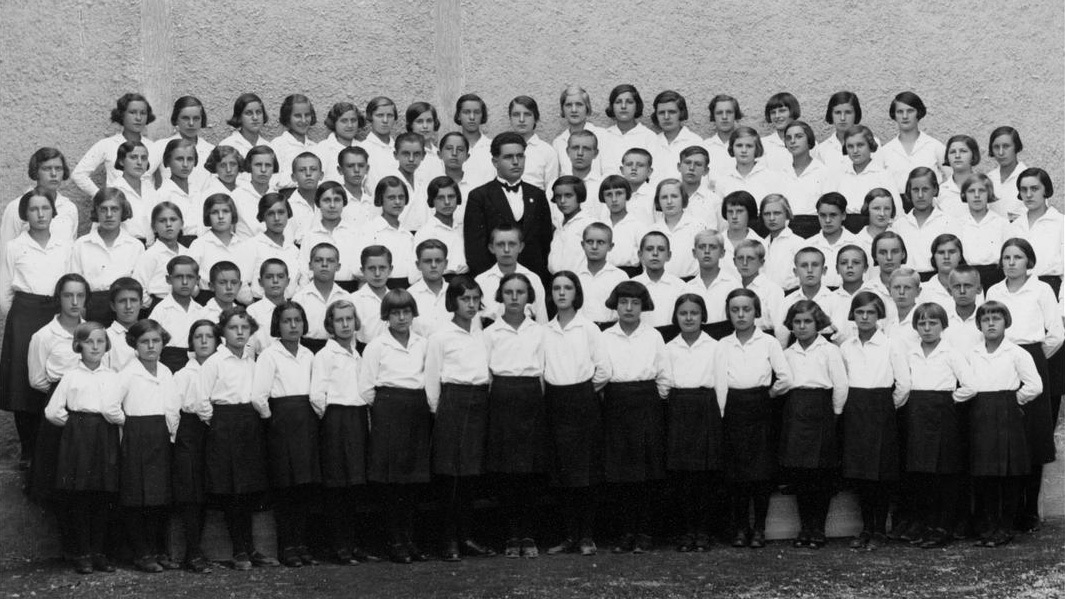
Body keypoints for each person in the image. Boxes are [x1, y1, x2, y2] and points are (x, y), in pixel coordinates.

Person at [986, 238, 1063, 532]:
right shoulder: (994, 291)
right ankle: (1008, 509)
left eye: (1017, 257)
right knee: (1007, 436)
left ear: (1028, 261)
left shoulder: (1041, 289)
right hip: (1001, 358)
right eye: (1006, 257)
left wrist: (1032, 360)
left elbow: (1056, 334)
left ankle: (1029, 511)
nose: (1011, 263)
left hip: (1032, 357)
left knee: (1033, 437)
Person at [197, 307, 279, 571]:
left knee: (248, 489)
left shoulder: (252, 361)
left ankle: (251, 547)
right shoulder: (214, 362)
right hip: (224, 425)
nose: (240, 332)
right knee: (231, 490)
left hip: (249, 424)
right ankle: (239, 550)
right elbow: (202, 402)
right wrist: (220, 424)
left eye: (244, 328)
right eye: (233, 328)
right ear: (223, 331)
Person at [44, 322, 124, 575]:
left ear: (107, 345)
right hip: (79, 438)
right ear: (78, 345)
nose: (95, 347)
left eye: (100, 341)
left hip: (106, 434)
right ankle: (82, 553)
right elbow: (52, 411)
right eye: (89, 342)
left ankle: (99, 552)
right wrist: (75, 426)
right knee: (80, 495)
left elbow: (118, 408)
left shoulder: (113, 376)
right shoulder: (71, 376)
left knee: (103, 494)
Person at [0, 188, 74, 466]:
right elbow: (5, 290)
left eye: (45, 208)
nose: (40, 214)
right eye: (34, 209)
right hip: (25, 313)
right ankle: (28, 450)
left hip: (57, 310)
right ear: (25, 214)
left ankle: (53, 450)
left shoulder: (65, 245)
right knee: (23, 381)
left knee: (55, 374)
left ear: (53, 212)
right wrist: (20, 317)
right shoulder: (14, 247)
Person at [358, 289, 432, 564]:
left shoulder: (423, 344)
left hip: (417, 409)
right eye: (395, 313)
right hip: (389, 411)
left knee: (412, 481)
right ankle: (395, 541)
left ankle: (410, 540)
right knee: (393, 482)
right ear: (386, 316)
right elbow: (366, 388)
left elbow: (429, 377)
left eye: (406, 312)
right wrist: (387, 408)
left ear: (413, 314)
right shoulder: (377, 346)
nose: (402, 318)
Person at [716, 289, 792, 548]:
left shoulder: (768, 342)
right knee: (737, 474)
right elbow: (719, 381)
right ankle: (741, 528)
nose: (741, 315)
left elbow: (785, 378)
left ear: (756, 312)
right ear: (728, 313)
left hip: (760, 407)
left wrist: (768, 394)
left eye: (746, 309)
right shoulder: (723, 344)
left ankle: (759, 528)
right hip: (733, 409)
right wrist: (723, 412)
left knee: (761, 473)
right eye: (735, 310)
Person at [423, 277, 493, 561]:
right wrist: (439, 412)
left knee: (470, 476)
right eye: (465, 299)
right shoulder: (441, 337)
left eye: (476, 299)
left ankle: (466, 536)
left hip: (478, 403)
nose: (471, 305)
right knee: (450, 476)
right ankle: (448, 539)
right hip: (452, 404)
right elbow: (432, 380)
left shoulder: (482, 335)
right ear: (453, 302)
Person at [541, 271, 609, 556]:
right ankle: (569, 535)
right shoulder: (544, 330)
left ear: (576, 293)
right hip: (555, 403)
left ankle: (587, 536)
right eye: (556, 288)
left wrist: (582, 392)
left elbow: (604, 369)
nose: (561, 293)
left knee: (586, 472)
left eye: (567, 287)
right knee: (562, 473)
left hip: (583, 402)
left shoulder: (588, 328)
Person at [601, 281, 670, 554]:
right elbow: (600, 372)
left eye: (635, 303)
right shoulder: (605, 337)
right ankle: (626, 531)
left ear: (643, 307)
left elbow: (664, 376)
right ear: (615, 305)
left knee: (646, 473)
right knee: (621, 473)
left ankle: (645, 532)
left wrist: (652, 401)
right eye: (623, 302)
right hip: (616, 404)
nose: (629, 308)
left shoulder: (653, 336)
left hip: (646, 403)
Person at [484, 273, 550, 558]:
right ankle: (512, 535)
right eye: (508, 292)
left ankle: (529, 534)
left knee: (530, 472)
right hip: (502, 398)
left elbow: (545, 370)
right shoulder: (490, 333)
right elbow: (486, 374)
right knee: (507, 473)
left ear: (529, 297)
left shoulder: (540, 332)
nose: (514, 297)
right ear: (500, 296)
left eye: (520, 292)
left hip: (531, 398)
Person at [968, 301, 1043, 547]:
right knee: (986, 473)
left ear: (1006, 322)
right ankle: (989, 526)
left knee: (1008, 473)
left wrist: (1012, 401)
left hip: (1007, 414)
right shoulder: (972, 353)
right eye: (985, 319)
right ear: (979, 324)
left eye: (996, 319)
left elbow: (1035, 385)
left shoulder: (1017, 353)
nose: (991, 323)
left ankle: (1005, 526)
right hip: (981, 414)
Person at [902, 302, 975, 548]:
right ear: (915, 327)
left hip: (943, 414)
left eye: (933, 323)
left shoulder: (951, 353)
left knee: (944, 472)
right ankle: (925, 524)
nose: (927, 328)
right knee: (921, 473)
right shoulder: (910, 353)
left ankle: (943, 527)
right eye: (922, 323)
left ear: (943, 326)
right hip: (916, 414)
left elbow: (971, 386)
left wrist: (949, 400)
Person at [840, 292, 909, 550]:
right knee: (860, 475)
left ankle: (880, 529)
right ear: (853, 316)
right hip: (855, 411)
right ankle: (866, 528)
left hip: (881, 411)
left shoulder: (890, 345)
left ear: (879, 316)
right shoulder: (846, 347)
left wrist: (886, 407)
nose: (865, 317)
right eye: (860, 312)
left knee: (880, 474)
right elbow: (842, 381)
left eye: (870, 312)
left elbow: (903, 384)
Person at [310, 300, 378, 565]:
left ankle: (354, 544)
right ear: (331, 325)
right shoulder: (325, 355)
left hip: (357, 419)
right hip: (336, 420)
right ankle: (339, 546)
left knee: (355, 485)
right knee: (337, 486)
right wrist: (333, 421)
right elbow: (317, 396)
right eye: (339, 320)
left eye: (349, 319)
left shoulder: (359, 353)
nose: (346, 324)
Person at [253, 301, 320, 567]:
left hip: (306, 422)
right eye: (286, 321)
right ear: (277, 325)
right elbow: (258, 397)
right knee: (285, 488)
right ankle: (287, 547)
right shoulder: (269, 355)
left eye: (297, 320)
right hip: (281, 423)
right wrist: (274, 421)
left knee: (304, 486)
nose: (293, 326)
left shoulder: (309, 355)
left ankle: (301, 544)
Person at [780, 300, 848, 549]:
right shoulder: (787, 353)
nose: (802, 326)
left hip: (821, 411)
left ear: (818, 323)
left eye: (807, 321)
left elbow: (840, 385)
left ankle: (818, 528)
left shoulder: (829, 350)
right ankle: (805, 527)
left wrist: (835, 413)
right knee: (800, 474)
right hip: (796, 411)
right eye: (797, 322)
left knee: (820, 474)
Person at [117, 319, 180, 573]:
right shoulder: (127, 373)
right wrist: (131, 425)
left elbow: (173, 405)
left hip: (161, 436)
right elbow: (111, 406)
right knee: (137, 496)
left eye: (156, 341)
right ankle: (141, 553)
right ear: (135, 344)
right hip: (136, 437)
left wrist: (170, 431)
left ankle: (158, 550)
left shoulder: (165, 372)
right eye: (144, 341)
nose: (151, 346)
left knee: (159, 496)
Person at [664, 294, 723, 552]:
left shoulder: (715, 346)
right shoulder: (669, 348)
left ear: (703, 316)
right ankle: (687, 531)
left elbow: (721, 383)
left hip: (706, 408)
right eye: (683, 313)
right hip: (679, 409)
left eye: (694, 313)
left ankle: (704, 531)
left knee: (704, 477)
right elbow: (664, 383)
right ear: (676, 317)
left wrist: (718, 415)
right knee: (683, 477)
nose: (689, 318)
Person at [464, 132, 553, 279]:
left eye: (520, 156)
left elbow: (545, 242)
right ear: (495, 162)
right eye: (508, 157)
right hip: (494, 279)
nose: (516, 162)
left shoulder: (537, 195)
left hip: (532, 278)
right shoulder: (479, 197)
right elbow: (475, 248)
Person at [171, 319, 218, 573]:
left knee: (207, 489)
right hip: (189, 432)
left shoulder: (221, 368)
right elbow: (173, 409)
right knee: (191, 491)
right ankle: (192, 551)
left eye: (209, 336)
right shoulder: (183, 374)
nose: (203, 341)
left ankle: (199, 550)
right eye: (198, 336)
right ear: (191, 342)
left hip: (216, 430)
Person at [70, 188, 145, 325]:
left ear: (123, 211)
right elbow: (75, 283)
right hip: (92, 308)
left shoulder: (135, 246)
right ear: (96, 212)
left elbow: (140, 284)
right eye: (103, 209)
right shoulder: (82, 244)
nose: (109, 215)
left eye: (114, 209)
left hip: (125, 308)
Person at [71, 93, 155, 196]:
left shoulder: (153, 147)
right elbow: (79, 174)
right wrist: (103, 197)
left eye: (143, 113)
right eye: (132, 112)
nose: (138, 118)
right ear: (122, 115)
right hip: (118, 203)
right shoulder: (107, 145)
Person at [0, 147, 79, 248]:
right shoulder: (16, 206)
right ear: (36, 172)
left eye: (58, 168)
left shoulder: (69, 208)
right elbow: (5, 251)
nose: (54, 174)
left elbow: (72, 249)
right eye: (47, 169)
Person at [147, 255, 208, 373]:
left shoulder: (201, 311)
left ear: (197, 279)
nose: (185, 282)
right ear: (168, 279)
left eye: (190, 277)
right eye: (179, 277)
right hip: (168, 366)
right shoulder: (161, 310)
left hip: (197, 367)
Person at [893, 167, 956, 277]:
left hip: (938, 278)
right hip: (906, 279)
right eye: (915, 190)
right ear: (909, 191)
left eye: (925, 189)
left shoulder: (948, 222)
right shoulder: (899, 225)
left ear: (935, 190)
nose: (920, 195)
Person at [878, 92, 947, 193]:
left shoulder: (935, 146)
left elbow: (951, 178)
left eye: (910, 111)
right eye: (900, 112)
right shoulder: (885, 151)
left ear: (918, 113)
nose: (905, 116)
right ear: (894, 115)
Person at [291, 243, 352, 351]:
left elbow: (352, 335)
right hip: (308, 351)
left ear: (338, 267)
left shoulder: (346, 297)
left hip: (339, 351)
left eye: (330, 261)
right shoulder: (299, 298)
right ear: (310, 265)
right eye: (318, 260)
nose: (324, 264)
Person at [779, 120, 832, 237]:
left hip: (814, 229)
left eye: (799, 136)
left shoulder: (823, 172)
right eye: (788, 138)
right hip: (786, 230)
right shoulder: (781, 173)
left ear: (809, 140)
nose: (793, 141)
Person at [958, 174, 1010, 290]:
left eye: (981, 191)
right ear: (964, 194)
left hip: (996, 277)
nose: (977, 195)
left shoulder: (1002, 223)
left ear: (989, 193)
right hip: (967, 277)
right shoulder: (958, 224)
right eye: (971, 191)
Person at [133, 202, 188, 308]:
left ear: (181, 224)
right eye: (162, 221)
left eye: (173, 219)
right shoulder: (150, 255)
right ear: (154, 227)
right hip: (159, 304)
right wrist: (152, 305)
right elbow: (138, 286)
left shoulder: (187, 252)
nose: (168, 224)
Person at [598, 84, 657, 179]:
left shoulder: (649, 137)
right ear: (612, 106)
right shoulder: (603, 136)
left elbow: (654, 174)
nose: (623, 106)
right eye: (618, 102)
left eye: (629, 102)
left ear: (637, 106)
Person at [812, 91, 877, 177]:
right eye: (838, 113)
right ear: (831, 115)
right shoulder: (822, 150)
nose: (842, 118)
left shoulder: (871, 143)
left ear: (856, 114)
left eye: (848, 112)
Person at [413, 176, 468, 277]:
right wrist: (447, 272)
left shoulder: (462, 227)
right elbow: (415, 275)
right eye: (440, 198)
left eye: (451, 196)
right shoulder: (425, 232)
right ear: (432, 201)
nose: (447, 202)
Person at [576, 223, 628, 327]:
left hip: (609, 329)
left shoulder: (620, 276)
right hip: (581, 329)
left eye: (600, 242)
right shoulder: (576, 275)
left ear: (610, 246)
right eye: (589, 242)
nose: (594, 247)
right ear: (582, 245)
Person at [650, 178, 704, 279]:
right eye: (664, 197)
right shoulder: (652, 230)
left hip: (690, 283)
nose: (669, 201)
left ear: (683, 198)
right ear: (658, 201)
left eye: (674, 196)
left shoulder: (698, 227)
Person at [633, 231, 686, 328]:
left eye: (661, 249)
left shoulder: (680, 287)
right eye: (649, 249)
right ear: (640, 255)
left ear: (669, 255)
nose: (655, 253)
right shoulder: (632, 285)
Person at [548, 176, 599, 275]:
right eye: (558, 196)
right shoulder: (559, 227)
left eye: (568, 195)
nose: (562, 201)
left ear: (579, 196)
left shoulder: (589, 224)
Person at [552, 85, 605, 180]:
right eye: (568, 105)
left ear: (587, 108)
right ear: (563, 109)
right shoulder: (558, 142)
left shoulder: (603, 135)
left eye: (579, 104)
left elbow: (609, 173)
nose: (574, 110)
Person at [508, 95, 559, 191]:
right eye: (516, 114)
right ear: (510, 119)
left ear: (536, 118)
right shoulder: (502, 149)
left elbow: (550, 190)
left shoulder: (547, 151)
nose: (521, 119)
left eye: (527, 114)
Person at [650, 90, 702, 179]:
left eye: (672, 112)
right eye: (661, 113)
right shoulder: (651, 142)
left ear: (681, 113)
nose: (666, 117)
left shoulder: (695, 142)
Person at [269, 94, 318, 189]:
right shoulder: (278, 145)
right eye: (298, 116)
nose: (303, 120)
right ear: (288, 118)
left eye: (307, 115)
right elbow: (273, 180)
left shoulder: (315, 147)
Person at [315, 102, 363, 184]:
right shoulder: (322, 149)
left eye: (353, 120)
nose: (350, 125)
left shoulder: (364, 147)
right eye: (344, 121)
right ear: (334, 123)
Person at [985, 127, 1027, 218]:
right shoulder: (988, 179)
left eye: (1006, 146)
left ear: (1016, 147)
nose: (1000, 152)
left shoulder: (1030, 178)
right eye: (996, 147)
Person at [701, 94, 743, 182]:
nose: (724, 117)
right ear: (713, 116)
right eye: (719, 113)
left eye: (729, 112)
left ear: (735, 115)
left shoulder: (746, 146)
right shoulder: (705, 147)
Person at [937, 135, 980, 220]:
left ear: (973, 155)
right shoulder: (940, 191)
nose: (957, 156)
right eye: (952, 152)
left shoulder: (985, 186)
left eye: (963, 151)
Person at [103, 277, 142, 371]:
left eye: (133, 300)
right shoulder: (105, 337)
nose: (128, 306)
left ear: (141, 303)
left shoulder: (149, 334)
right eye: (122, 301)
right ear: (113, 306)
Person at [218, 93, 271, 159]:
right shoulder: (227, 145)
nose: (255, 117)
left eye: (258, 112)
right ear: (239, 117)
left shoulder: (268, 147)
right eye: (249, 113)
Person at [759, 92, 801, 171]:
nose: (777, 116)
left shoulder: (807, 142)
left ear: (793, 111)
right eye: (773, 112)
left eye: (782, 111)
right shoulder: (762, 144)